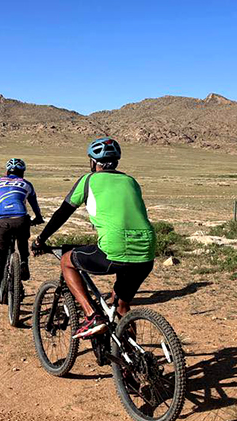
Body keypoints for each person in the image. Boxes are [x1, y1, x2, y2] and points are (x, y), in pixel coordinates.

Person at [32, 138, 155, 339]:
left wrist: (40, 239)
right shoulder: (131, 181)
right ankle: (131, 362)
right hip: (146, 250)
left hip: (114, 248)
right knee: (122, 304)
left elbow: (63, 213)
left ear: (92, 162)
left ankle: (91, 316)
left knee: (67, 261)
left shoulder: (88, 180)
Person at [0, 158, 44, 304]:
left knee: (0, 256)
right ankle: (24, 261)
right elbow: (34, 204)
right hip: (21, 220)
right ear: (22, 172)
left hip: (2, 222)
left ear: (7, 171)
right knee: (23, 239)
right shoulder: (27, 184)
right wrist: (38, 218)